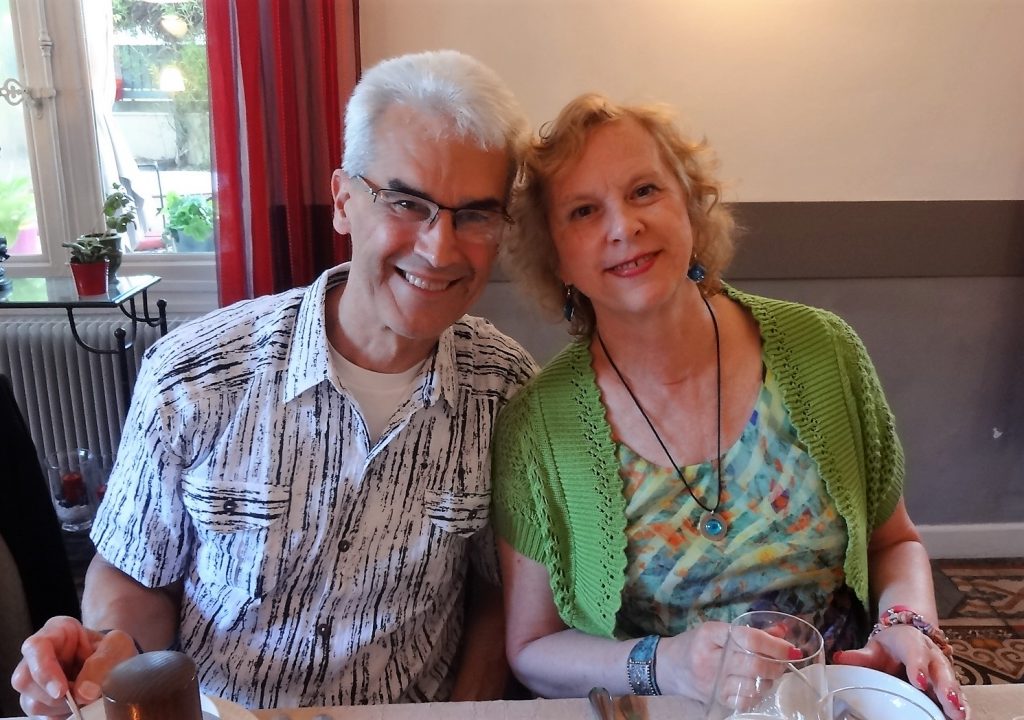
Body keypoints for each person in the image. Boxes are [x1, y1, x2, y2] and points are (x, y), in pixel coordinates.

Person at [13, 50, 537, 715]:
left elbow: (498, 588)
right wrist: (112, 648)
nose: (439, 249)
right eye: (406, 202)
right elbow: (133, 570)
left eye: (476, 215)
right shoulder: (192, 375)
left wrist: (463, 711)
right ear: (344, 201)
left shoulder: (506, 390)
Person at [491, 93, 967, 720]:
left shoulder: (824, 352)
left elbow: (894, 541)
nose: (623, 226)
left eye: (644, 191)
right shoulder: (537, 428)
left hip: (840, 699)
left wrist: (907, 622)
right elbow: (531, 650)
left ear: (690, 203)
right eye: (584, 210)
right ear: (555, 256)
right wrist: (665, 663)